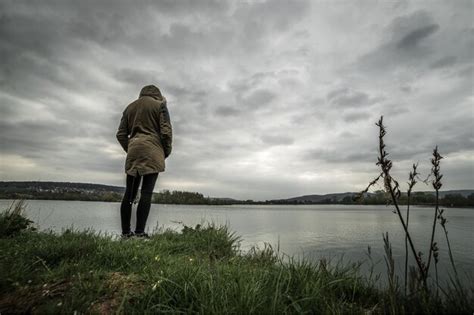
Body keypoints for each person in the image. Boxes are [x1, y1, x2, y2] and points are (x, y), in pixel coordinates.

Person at [116, 85, 172, 238]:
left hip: (134, 150)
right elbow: (166, 132)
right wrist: (165, 152)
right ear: (157, 95)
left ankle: (125, 233)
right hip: (153, 151)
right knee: (146, 192)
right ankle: (140, 233)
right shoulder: (160, 105)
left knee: (129, 193)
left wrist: (132, 148)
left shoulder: (129, 108)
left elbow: (121, 134)